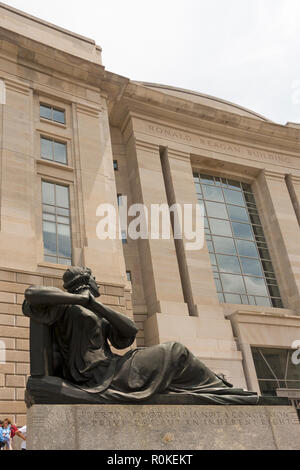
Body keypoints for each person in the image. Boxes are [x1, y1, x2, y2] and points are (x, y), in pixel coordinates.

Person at [22, 267, 258, 405]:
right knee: (175, 350)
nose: (98, 285)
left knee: (175, 361)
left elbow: (129, 333)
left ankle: (217, 388)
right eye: (94, 280)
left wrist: (97, 306)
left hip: (113, 366)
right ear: (86, 281)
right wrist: (79, 299)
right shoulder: (62, 307)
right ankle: (221, 390)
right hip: (95, 375)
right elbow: (31, 292)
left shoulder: (97, 311)